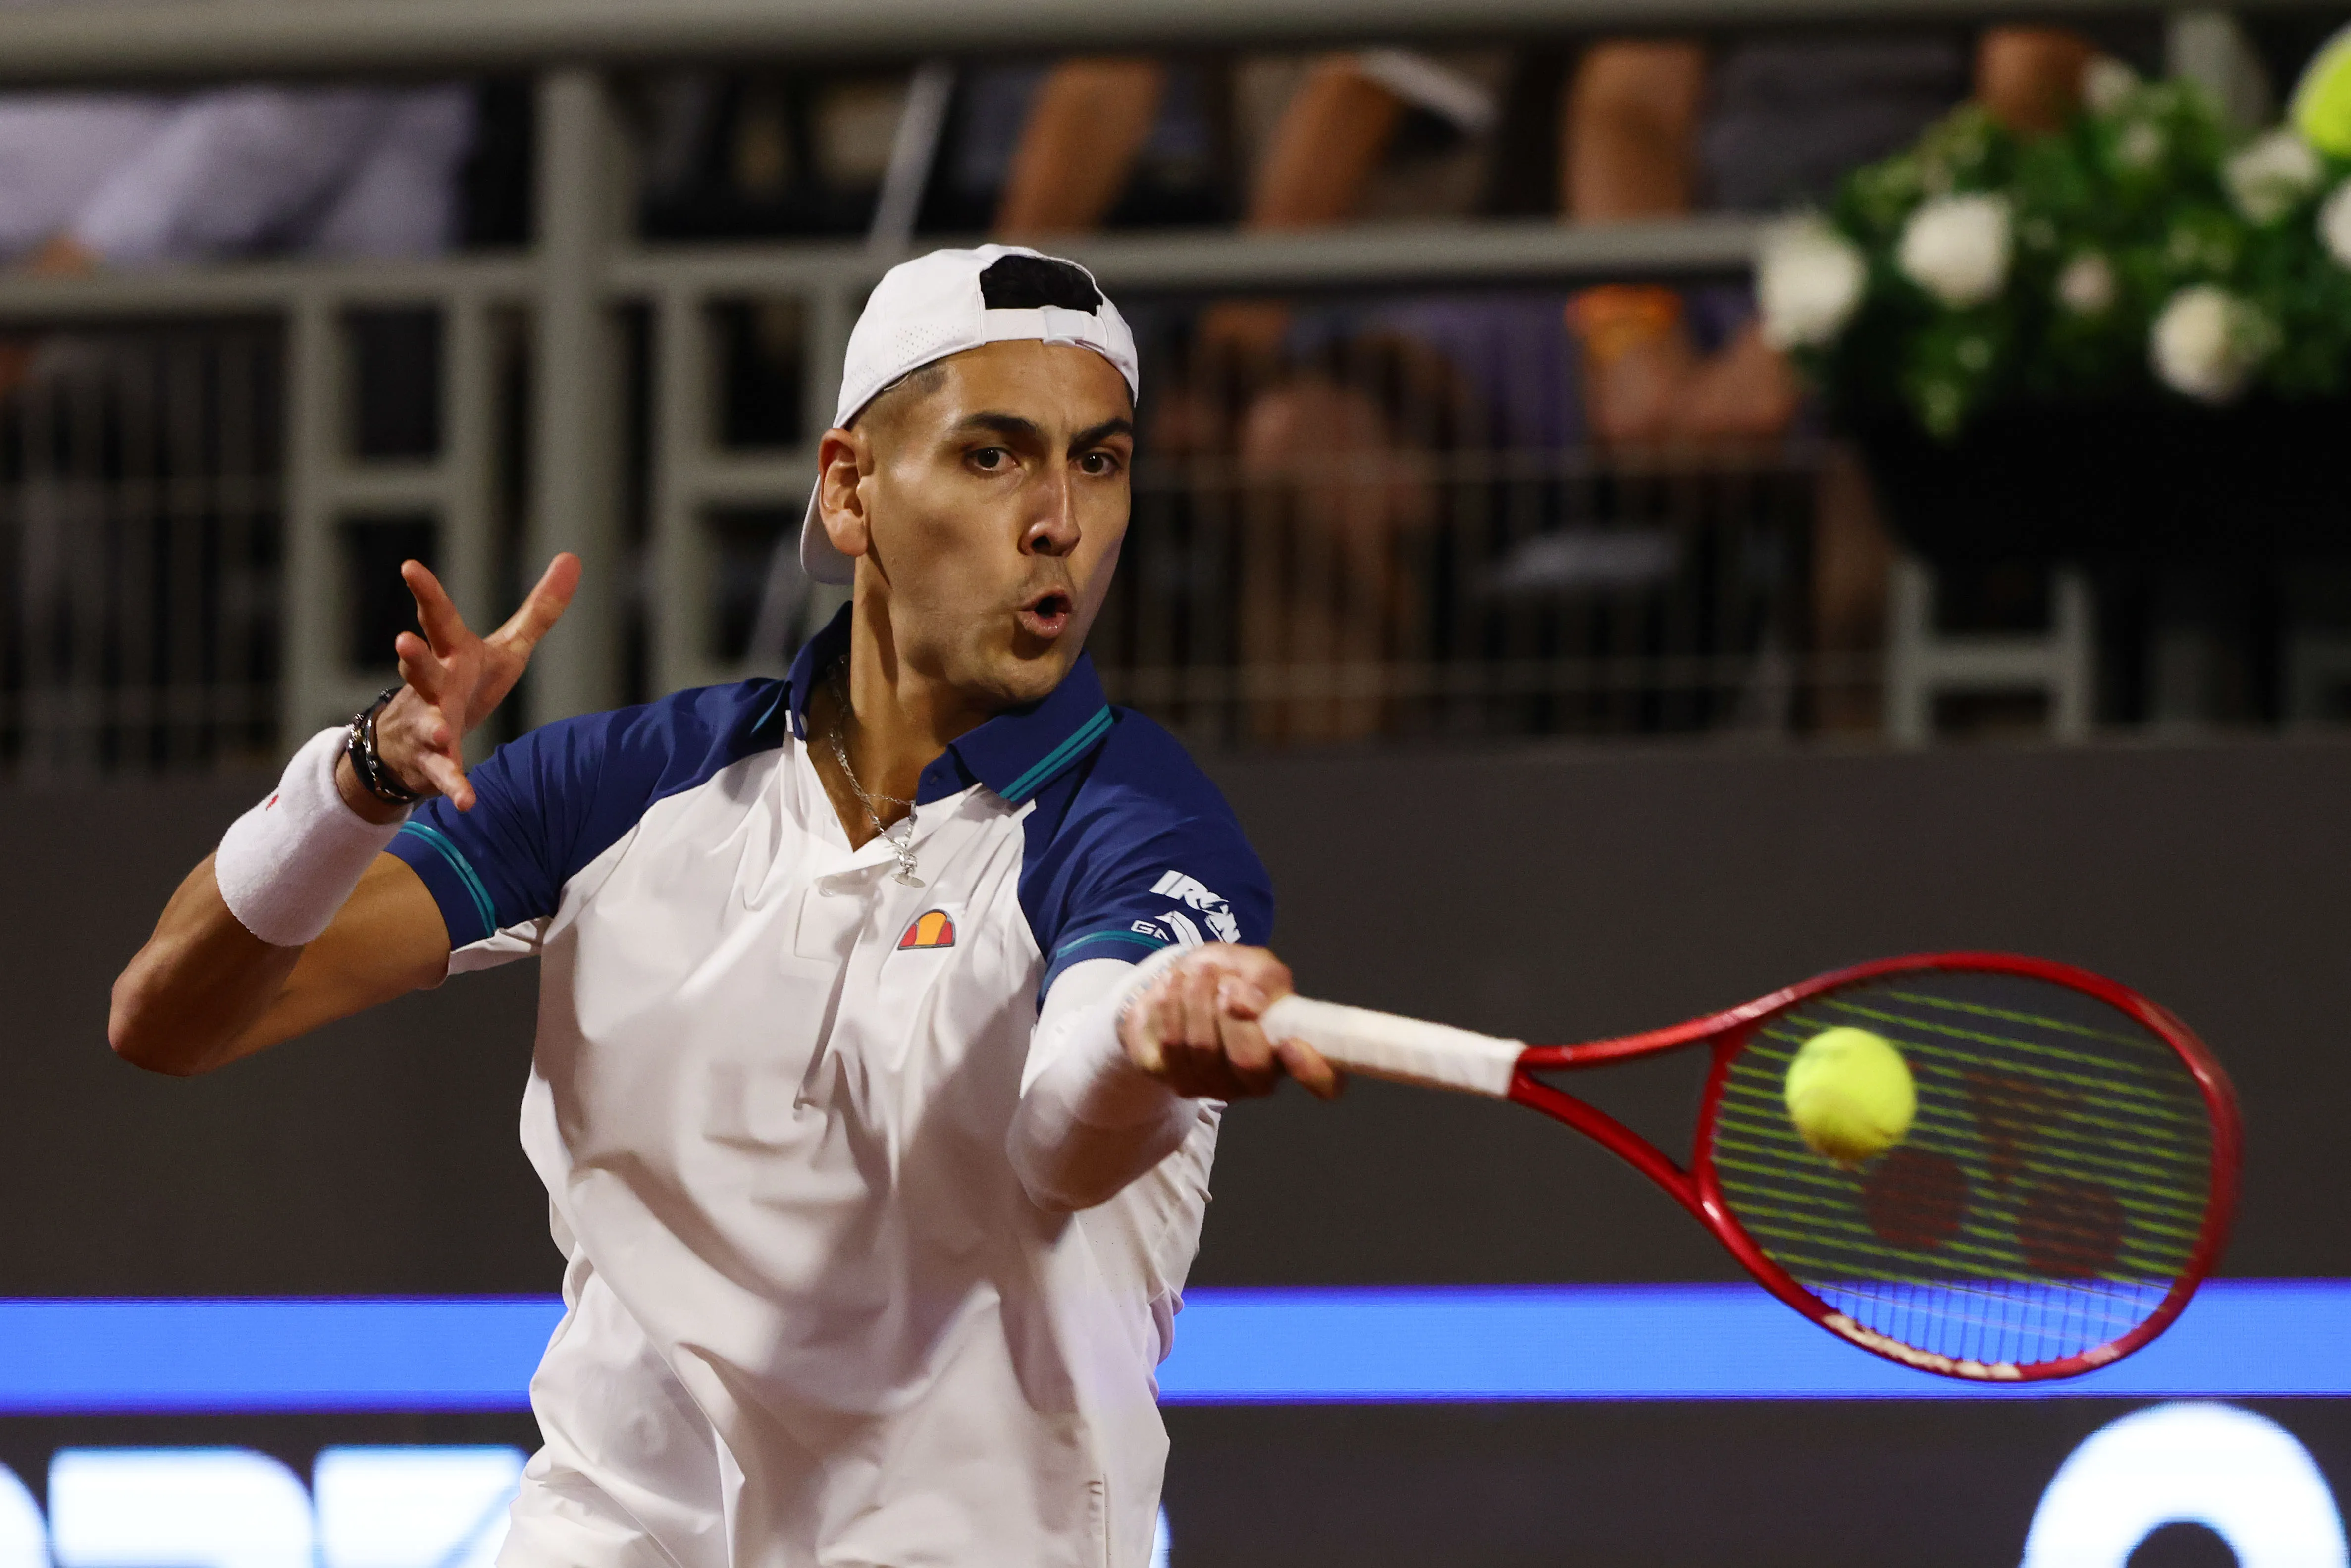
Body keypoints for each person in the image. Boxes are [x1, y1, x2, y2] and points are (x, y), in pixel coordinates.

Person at [107, 244, 1341, 1567]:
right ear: (850, 488)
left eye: (1100, 462)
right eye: (993, 456)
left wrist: (1150, 1046)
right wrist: (355, 783)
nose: (1059, 521)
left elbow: (1066, 1143)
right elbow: (170, 1018)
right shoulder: (622, 786)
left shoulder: (1145, 827)